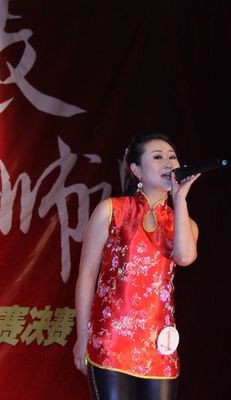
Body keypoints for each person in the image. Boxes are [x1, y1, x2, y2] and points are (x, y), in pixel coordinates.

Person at [73, 132, 200, 400]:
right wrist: (82, 336)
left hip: (159, 344)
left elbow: (185, 257)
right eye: (158, 157)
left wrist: (180, 200)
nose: (169, 163)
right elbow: (87, 275)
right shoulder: (113, 210)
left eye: (172, 157)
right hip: (111, 340)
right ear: (137, 170)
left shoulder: (183, 222)